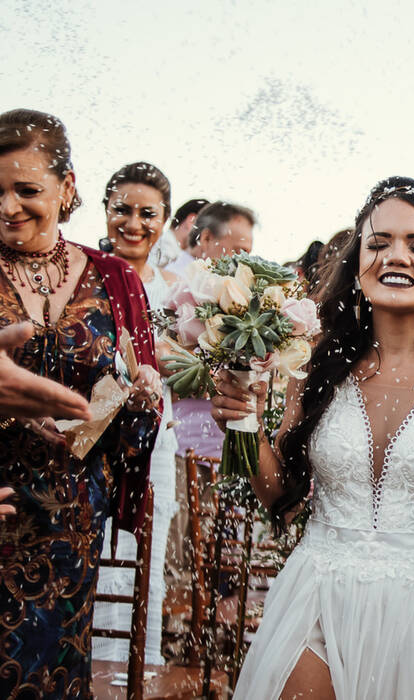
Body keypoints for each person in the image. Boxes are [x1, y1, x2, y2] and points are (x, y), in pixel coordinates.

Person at [212, 177, 414, 699]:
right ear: (357, 265)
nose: (394, 257)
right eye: (377, 244)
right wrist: (242, 421)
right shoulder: (314, 365)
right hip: (316, 591)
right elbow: (281, 499)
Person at [0, 108, 161, 697]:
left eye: (26, 190)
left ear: (67, 187)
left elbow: (140, 417)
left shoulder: (115, 279)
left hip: (72, 516)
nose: (7, 207)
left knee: (57, 673)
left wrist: (141, 396)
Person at [92, 162, 180, 666]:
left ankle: (135, 662)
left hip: (154, 436)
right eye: (121, 209)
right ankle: (86, 655)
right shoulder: (85, 276)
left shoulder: (177, 290)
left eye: (147, 213)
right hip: (87, 429)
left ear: (164, 219)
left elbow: (193, 371)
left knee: (147, 538)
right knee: (91, 537)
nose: (133, 222)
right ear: (105, 212)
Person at [164, 200, 256, 599]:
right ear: (204, 239)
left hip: (232, 439)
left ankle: (216, 629)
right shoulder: (181, 290)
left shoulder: (252, 297)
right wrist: (213, 373)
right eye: (238, 251)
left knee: (227, 553)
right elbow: (165, 360)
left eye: (250, 252)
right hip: (187, 442)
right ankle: (177, 628)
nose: (245, 261)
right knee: (183, 543)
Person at [152, 197, 208, 270]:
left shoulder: (173, 249)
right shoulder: (164, 249)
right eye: (205, 228)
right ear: (191, 220)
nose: (205, 238)